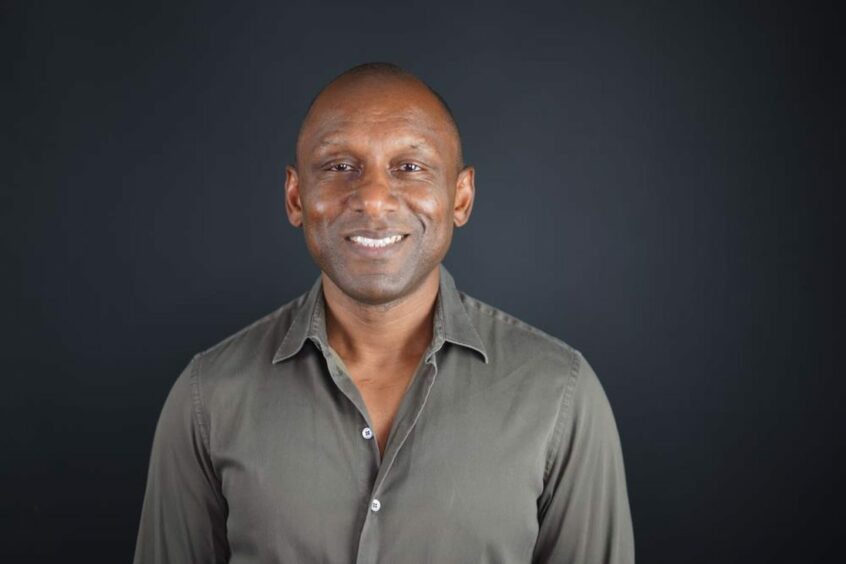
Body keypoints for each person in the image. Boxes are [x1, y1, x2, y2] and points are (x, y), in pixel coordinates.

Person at [133, 62, 635, 563]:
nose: (373, 200)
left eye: (409, 167)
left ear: (460, 196)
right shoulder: (207, 399)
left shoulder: (559, 397)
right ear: (295, 197)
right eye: (339, 167)